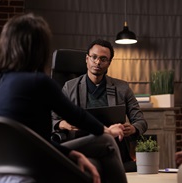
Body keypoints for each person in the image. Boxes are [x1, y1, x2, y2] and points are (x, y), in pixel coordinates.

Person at [0, 13, 131, 183]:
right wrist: (107, 130)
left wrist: (72, 154)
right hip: (35, 180)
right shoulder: (38, 82)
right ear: (39, 48)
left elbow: (35, 142)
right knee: (106, 143)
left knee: (95, 164)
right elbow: (76, 115)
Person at [52, 39, 148, 172]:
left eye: (103, 59)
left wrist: (133, 128)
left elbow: (141, 121)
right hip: (84, 143)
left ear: (109, 63)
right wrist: (62, 124)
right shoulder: (70, 87)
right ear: (87, 58)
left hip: (114, 145)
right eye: (94, 57)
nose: (97, 62)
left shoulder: (122, 88)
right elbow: (52, 118)